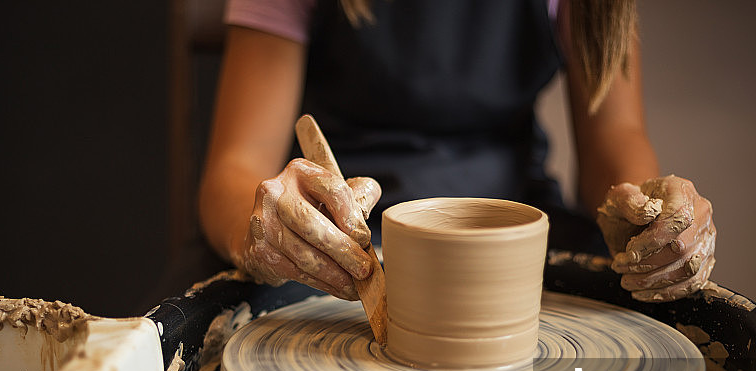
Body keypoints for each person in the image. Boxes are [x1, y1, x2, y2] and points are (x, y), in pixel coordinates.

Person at [197, 0, 715, 303]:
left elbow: (616, 138)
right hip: (343, 229)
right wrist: (261, 227)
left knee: (646, 357)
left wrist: (649, 218)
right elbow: (236, 164)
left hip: (514, 220)